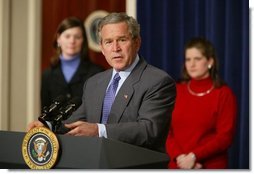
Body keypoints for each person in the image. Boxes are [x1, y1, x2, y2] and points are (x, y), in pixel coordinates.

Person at [28, 12, 176, 153]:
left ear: (137, 43)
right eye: (109, 42)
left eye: (122, 40)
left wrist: (98, 131)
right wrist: (48, 126)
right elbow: (76, 122)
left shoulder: (157, 81)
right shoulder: (94, 82)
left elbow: (149, 130)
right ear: (102, 48)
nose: (115, 48)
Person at [166, 37, 237, 169]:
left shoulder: (223, 93)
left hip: (208, 166)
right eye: (188, 59)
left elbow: (225, 137)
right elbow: (165, 131)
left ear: (210, 62)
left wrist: (194, 157)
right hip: (177, 165)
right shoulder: (176, 90)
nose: (191, 64)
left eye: (197, 59)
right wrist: (180, 158)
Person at [41, 17, 103, 109]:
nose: (72, 41)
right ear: (58, 39)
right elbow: (46, 114)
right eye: (67, 36)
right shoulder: (47, 75)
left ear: (83, 41)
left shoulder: (97, 73)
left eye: (77, 37)